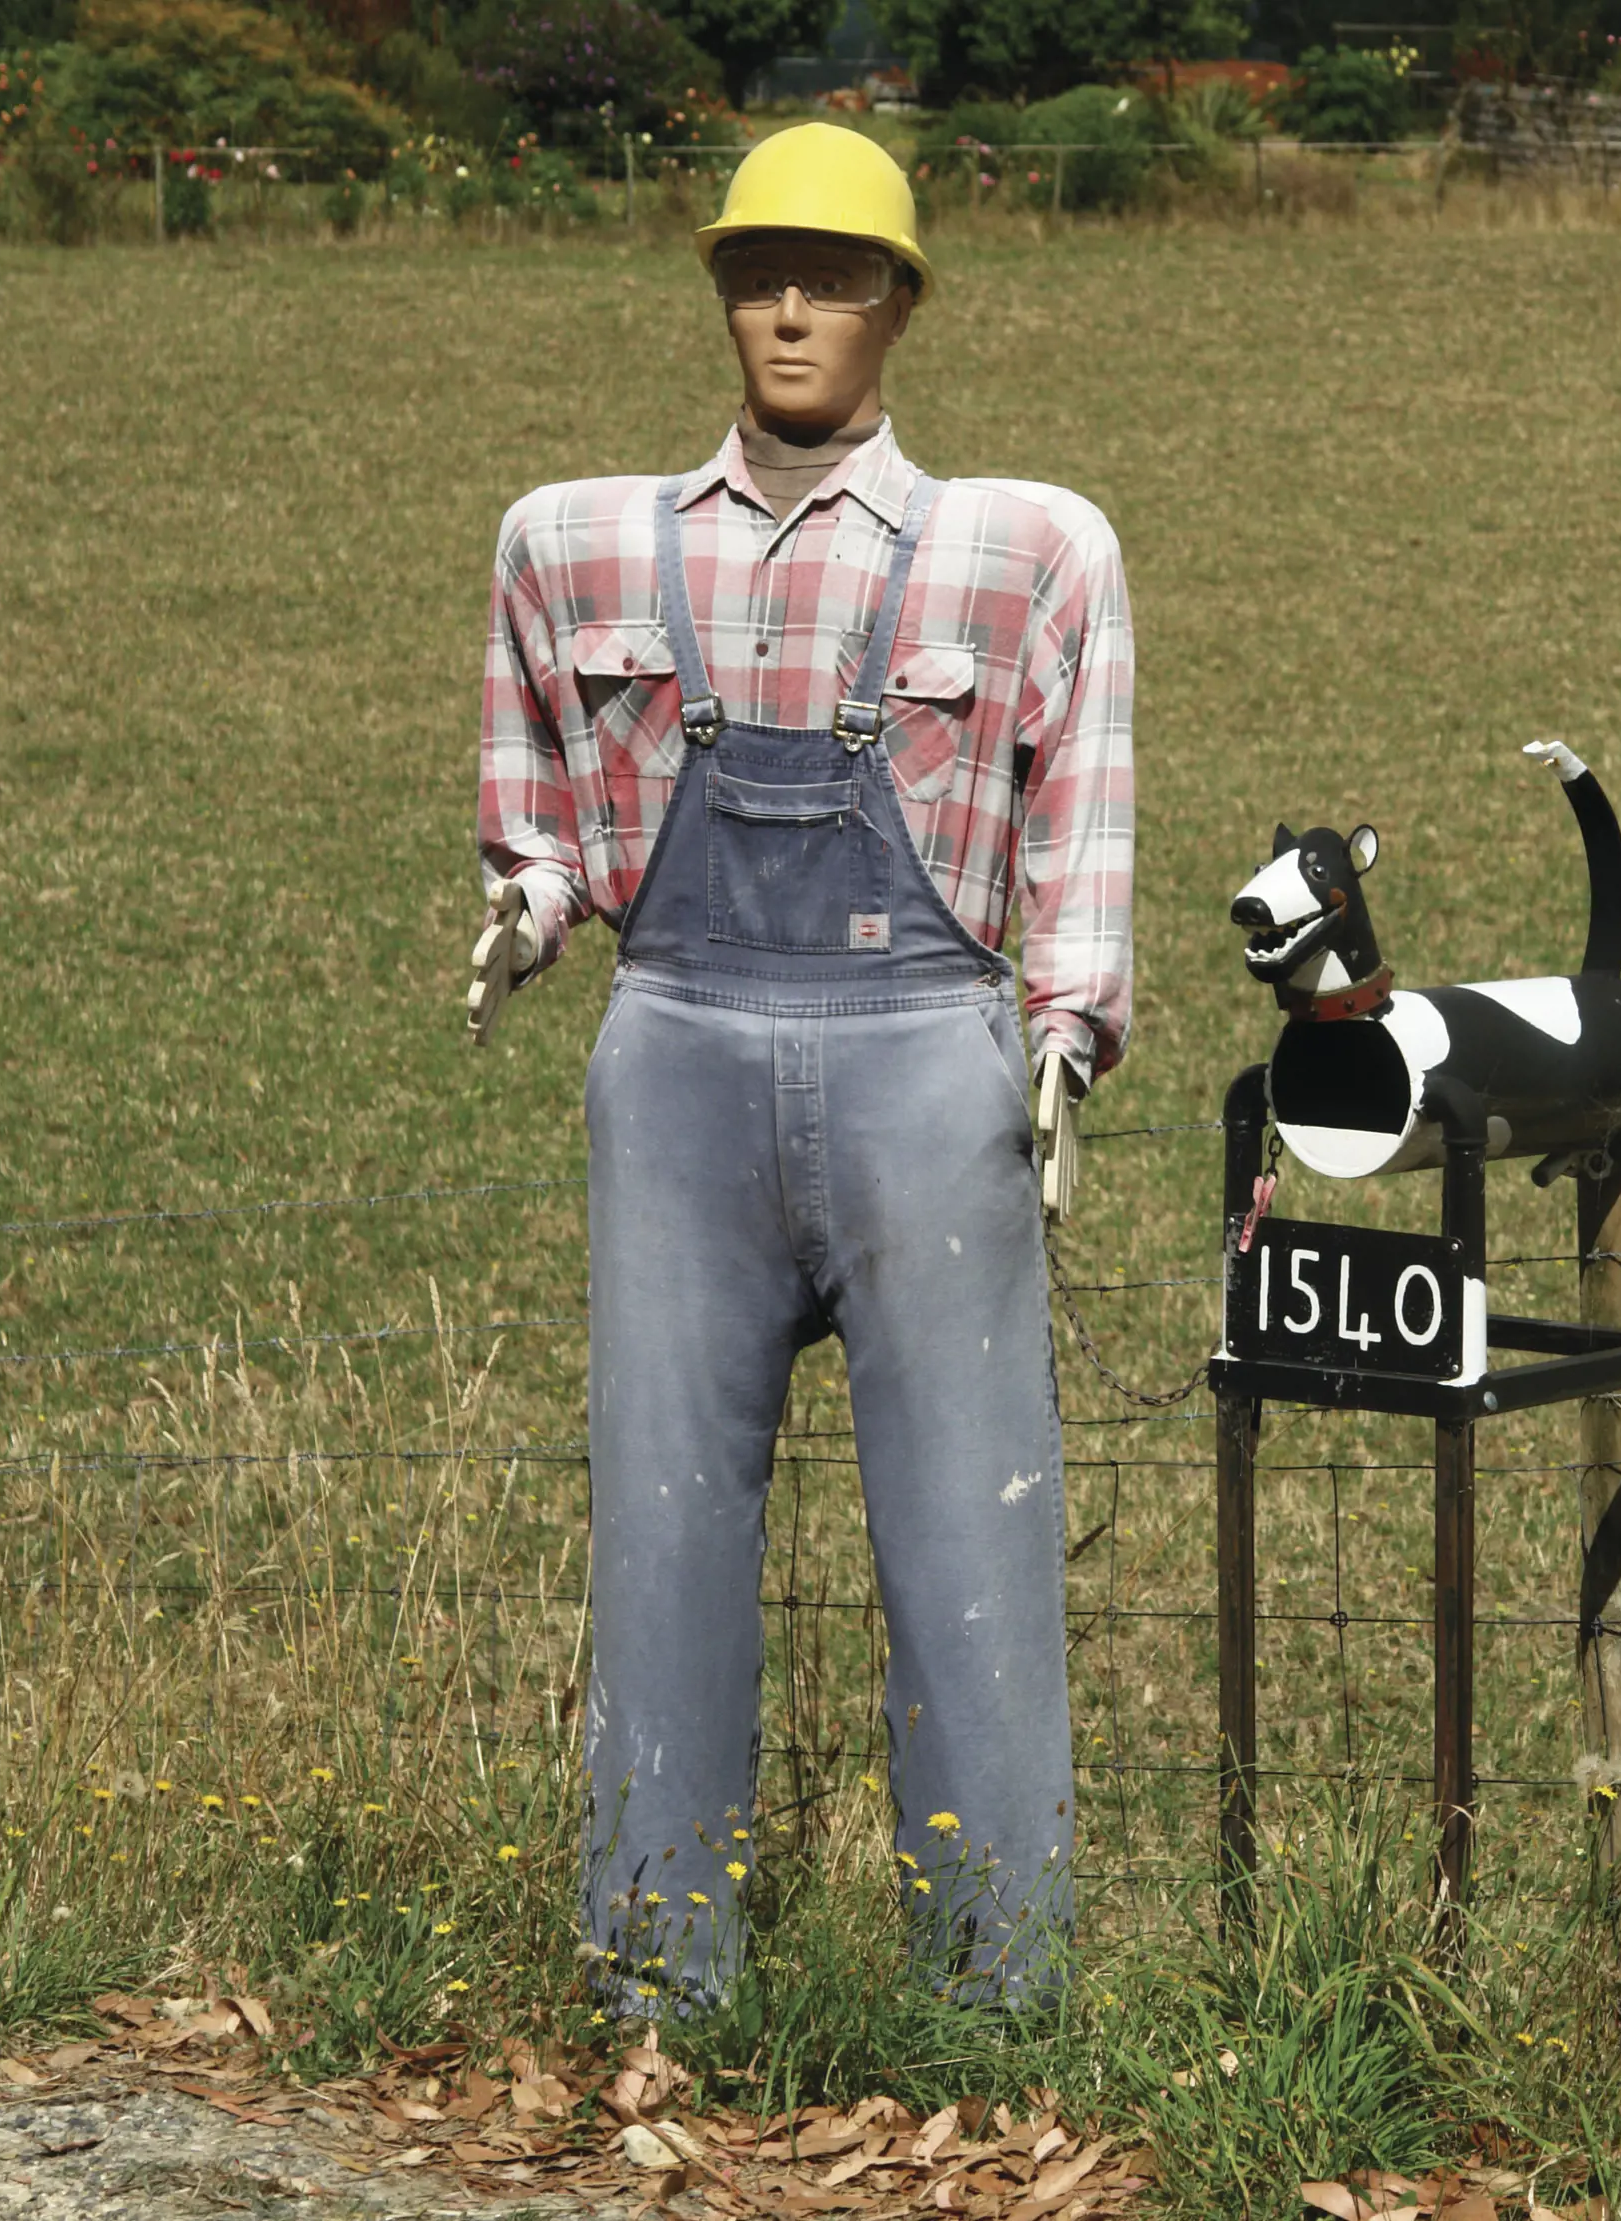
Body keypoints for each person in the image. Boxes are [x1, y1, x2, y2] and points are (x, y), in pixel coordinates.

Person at [466, 121, 1134, 2015]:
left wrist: (1067, 1036)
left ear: (899, 305)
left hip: (938, 1072)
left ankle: (997, 2014)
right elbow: (538, 815)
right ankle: (654, 1994)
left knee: (972, 1556)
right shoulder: (571, 539)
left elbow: (1082, 828)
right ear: (714, 288)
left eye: (835, 276)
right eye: (757, 270)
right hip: (668, 1065)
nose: (788, 308)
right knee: (660, 1539)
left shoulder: (1031, 552)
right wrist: (530, 908)